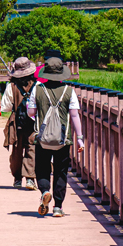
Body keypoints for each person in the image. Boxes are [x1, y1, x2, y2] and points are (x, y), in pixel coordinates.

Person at [28, 54, 83, 217]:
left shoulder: (37, 90)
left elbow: (31, 112)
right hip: (63, 139)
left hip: (43, 138)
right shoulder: (69, 91)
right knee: (61, 171)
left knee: (42, 168)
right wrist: (80, 138)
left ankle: (45, 191)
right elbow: (74, 116)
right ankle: (58, 206)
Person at [0, 56, 41, 189]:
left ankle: (17, 178)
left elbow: (5, 107)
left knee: (17, 150)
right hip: (34, 121)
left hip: (17, 122)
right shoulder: (38, 85)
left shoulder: (11, 86)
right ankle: (30, 178)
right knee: (32, 149)